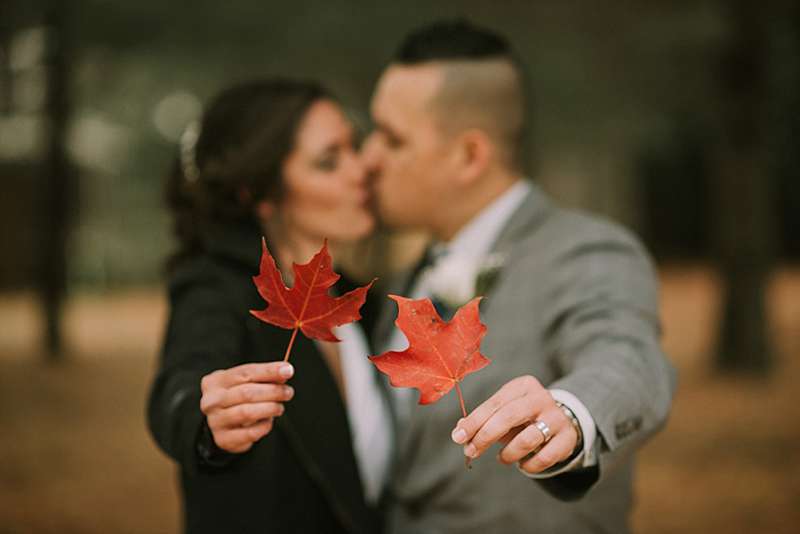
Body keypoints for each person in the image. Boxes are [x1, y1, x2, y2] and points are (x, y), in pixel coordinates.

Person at [361, 19, 677, 534]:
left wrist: (572, 415)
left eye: (392, 139)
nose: (368, 156)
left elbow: (628, 357)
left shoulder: (585, 252)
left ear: (469, 156)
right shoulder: (405, 280)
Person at [147, 79, 392, 534]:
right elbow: (180, 388)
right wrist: (207, 423)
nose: (360, 171)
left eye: (353, 148)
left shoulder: (364, 305)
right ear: (258, 194)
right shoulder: (216, 290)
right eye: (328, 161)